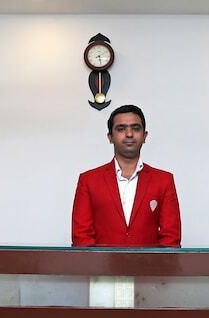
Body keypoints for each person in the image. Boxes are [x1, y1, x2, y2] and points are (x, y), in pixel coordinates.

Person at [71, 105, 181, 247]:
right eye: (121, 129)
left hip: (149, 262)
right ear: (110, 137)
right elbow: (81, 237)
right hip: (101, 262)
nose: (129, 134)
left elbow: (171, 239)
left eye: (136, 128)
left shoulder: (164, 180)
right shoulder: (89, 180)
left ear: (144, 136)